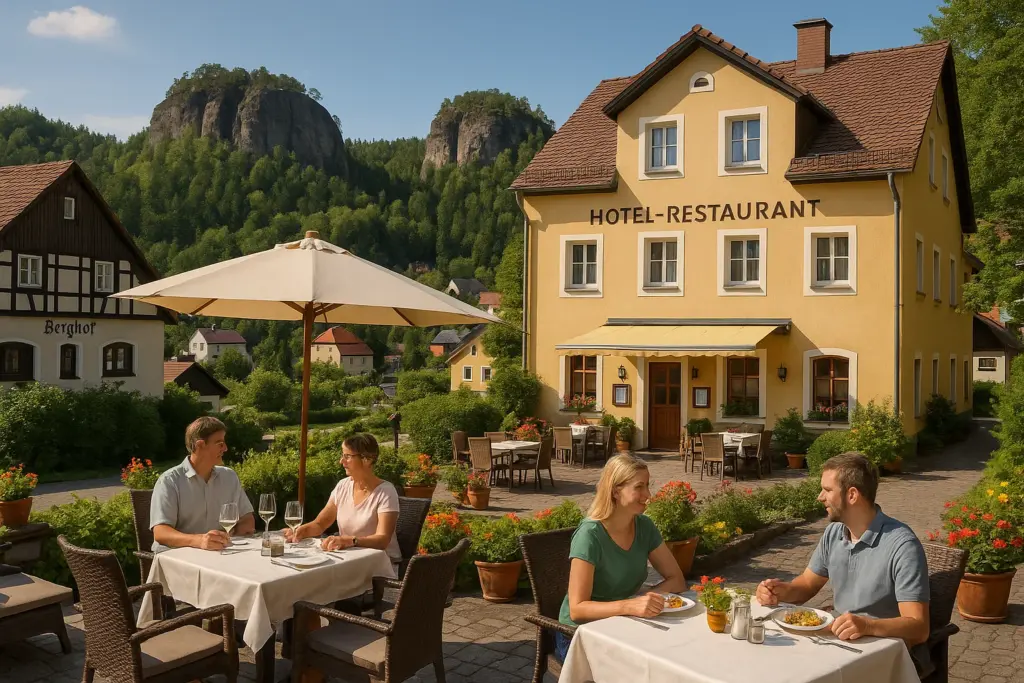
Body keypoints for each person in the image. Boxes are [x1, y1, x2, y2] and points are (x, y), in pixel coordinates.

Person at [756, 452, 930, 658]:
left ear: (852, 495)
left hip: (882, 652)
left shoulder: (902, 545)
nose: (820, 497)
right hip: (837, 642)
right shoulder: (834, 533)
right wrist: (780, 592)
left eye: (827, 490)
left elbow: (919, 628)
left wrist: (867, 625)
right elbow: (807, 585)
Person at [557, 454, 686, 663]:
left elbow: (677, 580)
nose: (648, 494)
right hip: (579, 636)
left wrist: (648, 600)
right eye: (639, 487)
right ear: (616, 491)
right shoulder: (590, 535)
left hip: (625, 625)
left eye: (647, 486)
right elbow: (577, 609)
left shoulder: (644, 527)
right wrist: (630, 605)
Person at [284, 433, 401, 566]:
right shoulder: (342, 486)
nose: (341, 461)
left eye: (347, 456)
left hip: (381, 567)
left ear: (367, 459)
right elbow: (320, 524)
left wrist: (350, 541)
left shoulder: (386, 492)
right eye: (342, 455)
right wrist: (301, 531)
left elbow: (383, 540)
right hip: (348, 561)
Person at [151, 416, 255, 551]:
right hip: (178, 558)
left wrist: (234, 537)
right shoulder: (169, 481)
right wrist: (199, 541)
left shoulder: (229, 477)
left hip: (220, 554)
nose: (225, 449)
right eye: (220, 443)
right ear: (200, 445)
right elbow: (161, 532)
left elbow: (246, 519)